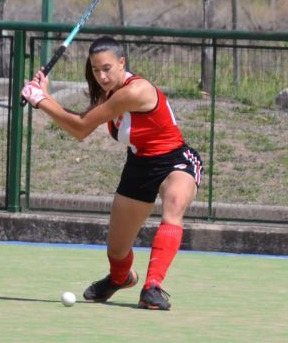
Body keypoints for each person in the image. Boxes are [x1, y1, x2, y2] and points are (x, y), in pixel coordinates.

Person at [21, 36, 202, 310]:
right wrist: (46, 95)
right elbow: (79, 125)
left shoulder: (135, 91)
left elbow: (80, 128)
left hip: (174, 160)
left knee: (174, 205)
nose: (102, 76)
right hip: (138, 165)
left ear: (122, 63)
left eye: (107, 68)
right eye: (95, 70)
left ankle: (152, 287)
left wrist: (41, 101)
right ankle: (120, 278)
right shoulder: (107, 95)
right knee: (117, 251)